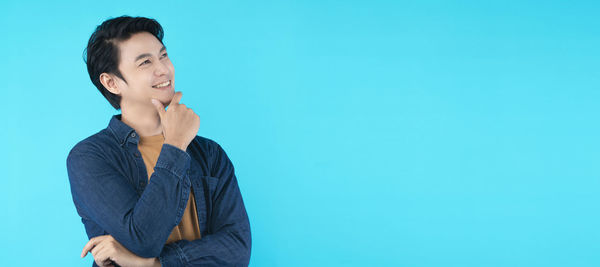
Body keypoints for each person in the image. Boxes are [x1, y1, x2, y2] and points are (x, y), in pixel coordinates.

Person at [66, 16, 251, 267]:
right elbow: (143, 240)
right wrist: (175, 144)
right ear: (111, 82)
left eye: (163, 56)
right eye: (145, 62)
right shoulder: (89, 157)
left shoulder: (209, 153)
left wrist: (154, 264)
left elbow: (238, 250)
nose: (164, 69)